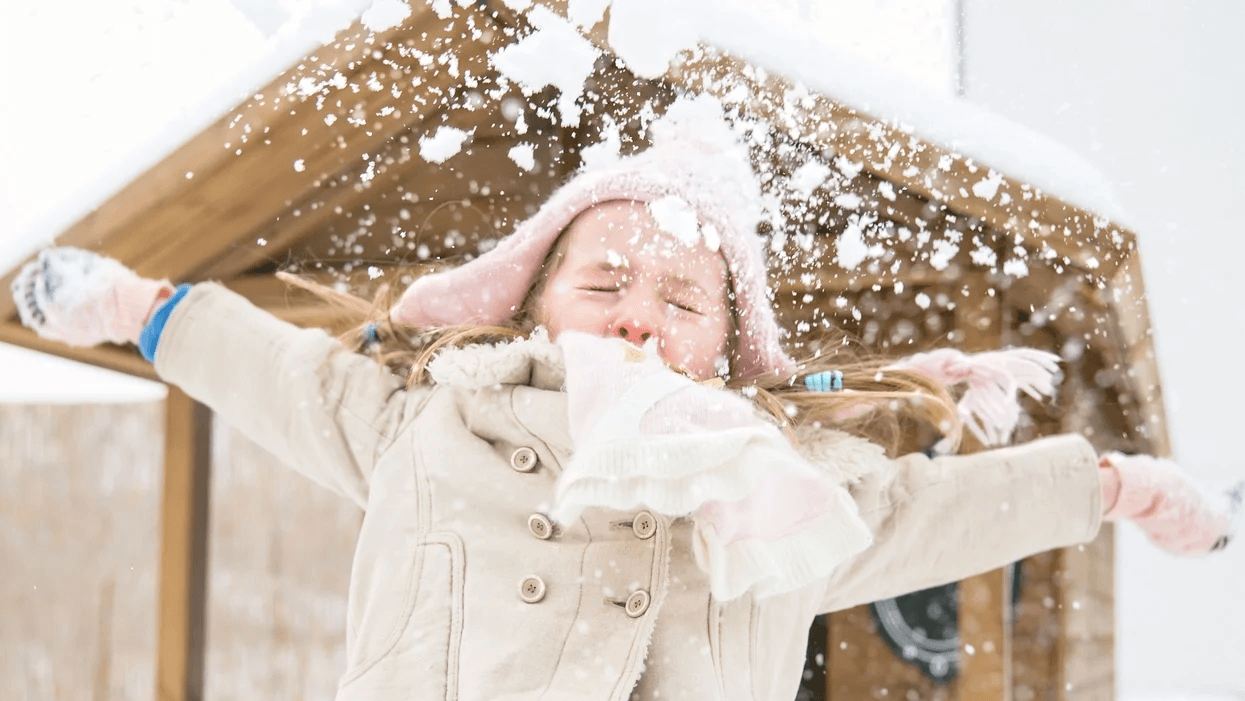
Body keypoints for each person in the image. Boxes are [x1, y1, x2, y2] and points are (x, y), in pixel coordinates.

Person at [10, 95, 1235, 701]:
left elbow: (937, 510)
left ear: (725, 350)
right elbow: (277, 373)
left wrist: (1113, 482)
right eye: (602, 280)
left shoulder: (783, 494)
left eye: (685, 301)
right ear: (535, 302)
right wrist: (134, 304)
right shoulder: (425, 423)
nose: (638, 312)